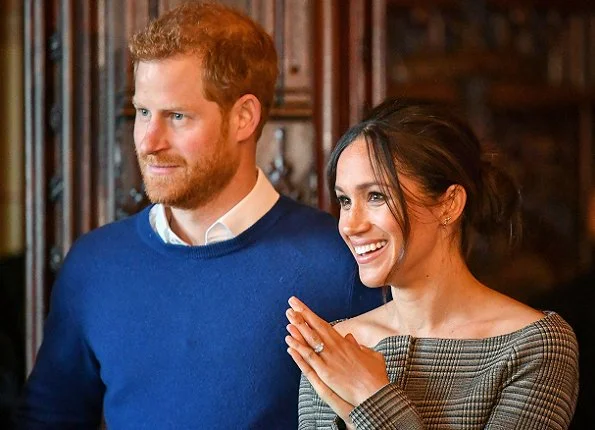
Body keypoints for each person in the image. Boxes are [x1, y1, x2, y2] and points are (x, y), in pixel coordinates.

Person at [15, 3, 378, 429]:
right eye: (142, 112)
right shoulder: (95, 264)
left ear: (243, 117)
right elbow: (46, 419)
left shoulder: (341, 262)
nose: (149, 141)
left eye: (177, 116)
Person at [285, 100, 579, 429]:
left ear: (449, 205)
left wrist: (373, 396)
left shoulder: (533, 345)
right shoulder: (337, 345)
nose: (349, 225)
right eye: (345, 200)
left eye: (376, 196)